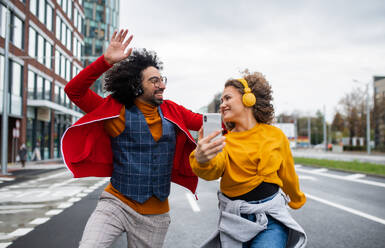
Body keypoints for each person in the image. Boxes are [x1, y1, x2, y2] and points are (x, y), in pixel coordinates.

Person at [61, 29, 202, 248]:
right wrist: (105, 61)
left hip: (155, 217)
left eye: (162, 80)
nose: (162, 85)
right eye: (154, 81)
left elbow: (206, 122)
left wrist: (241, 114)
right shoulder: (114, 109)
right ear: (137, 85)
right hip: (116, 204)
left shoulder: (173, 110)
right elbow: (74, 91)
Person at [189, 71, 307, 248]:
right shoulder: (224, 141)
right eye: (221, 101)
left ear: (248, 99)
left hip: (271, 220)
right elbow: (212, 171)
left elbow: (288, 175)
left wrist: (297, 198)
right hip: (234, 223)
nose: (222, 105)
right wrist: (202, 158)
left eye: (227, 98)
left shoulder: (276, 136)